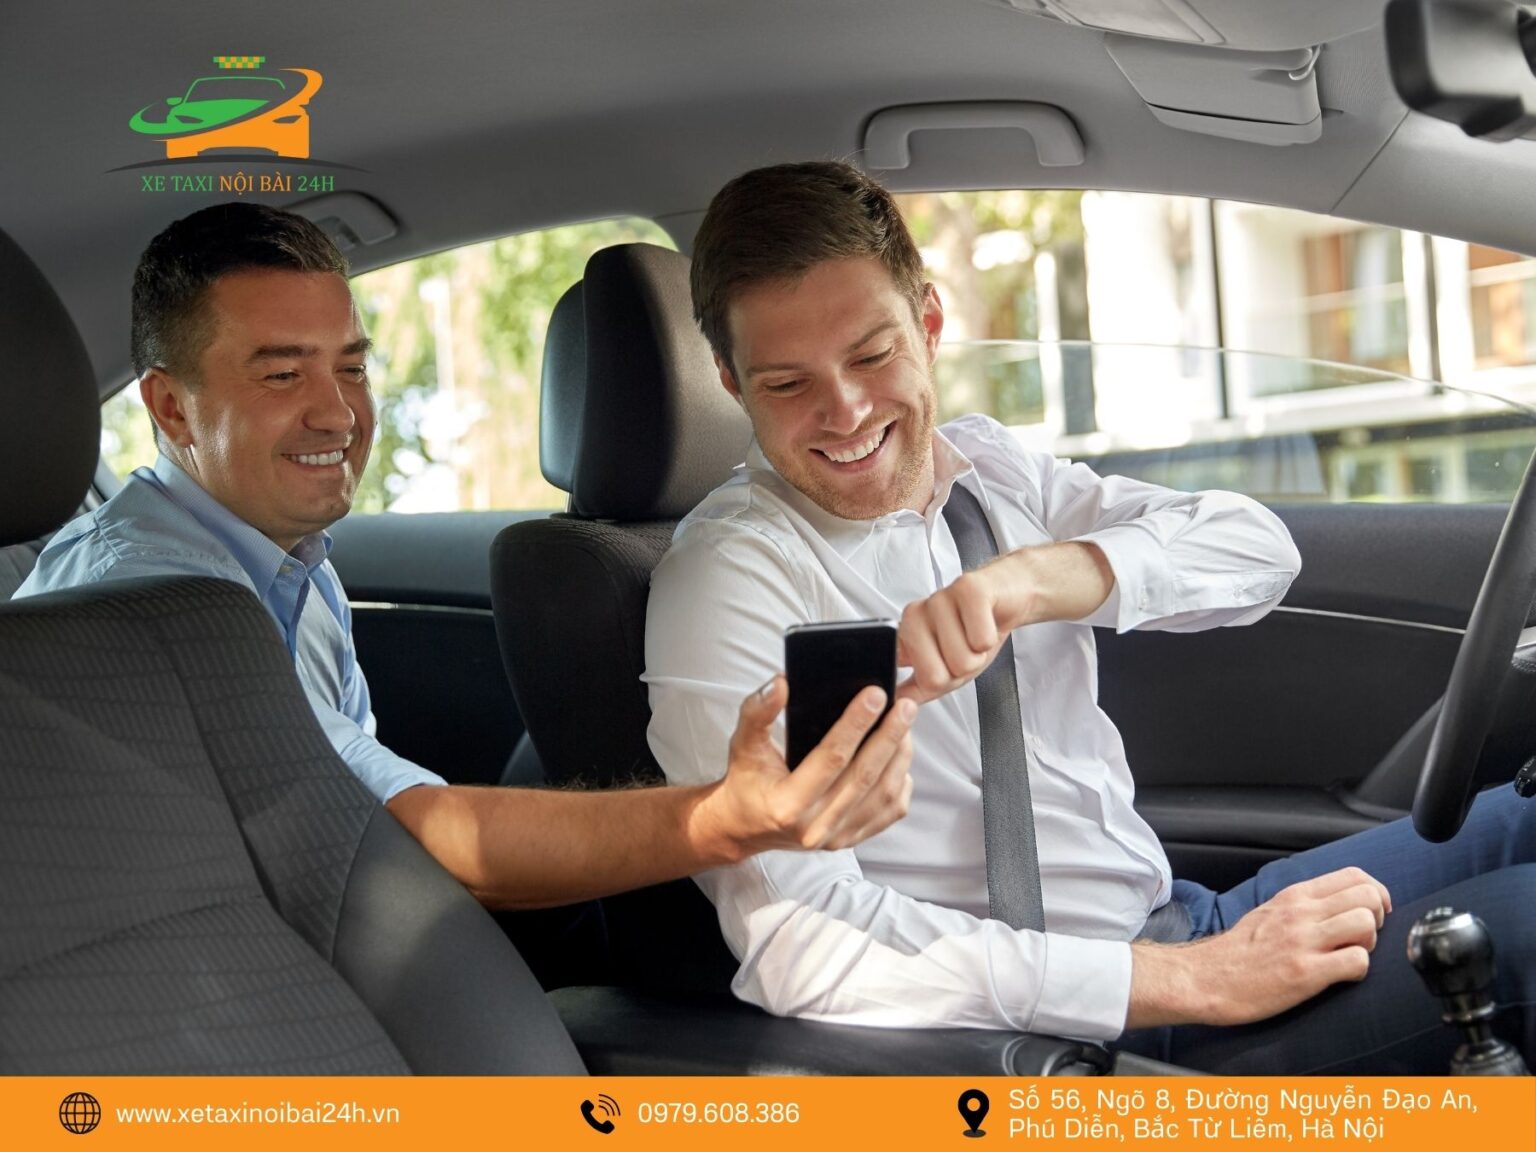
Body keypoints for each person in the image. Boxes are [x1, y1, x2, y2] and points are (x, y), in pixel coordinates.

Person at [643, 160, 1536, 1073]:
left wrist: (1043, 579)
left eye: (872, 356)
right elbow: (806, 944)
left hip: (1184, 919)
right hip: (1075, 1039)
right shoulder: (730, 580)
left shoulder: (988, 474)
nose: (846, 411)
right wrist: (1196, 980)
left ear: (930, 324)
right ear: (730, 382)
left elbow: (1258, 550)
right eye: (787, 384)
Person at [15, 201, 916, 914]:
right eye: (283, 374)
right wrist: (727, 817)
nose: (340, 413)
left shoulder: (282, 556)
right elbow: (405, 836)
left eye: (352, 367)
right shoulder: (154, 603)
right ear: (171, 409)